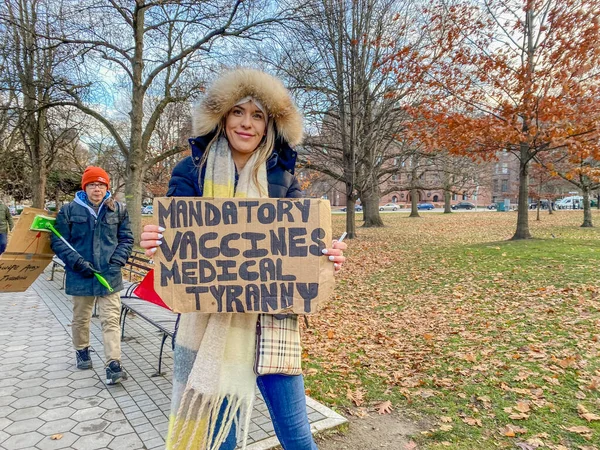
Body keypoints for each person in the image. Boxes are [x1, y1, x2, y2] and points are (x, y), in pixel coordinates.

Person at [140, 68, 347, 450]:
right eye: (238, 112)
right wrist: (157, 241)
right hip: (209, 326)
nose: (247, 123)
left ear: (270, 125)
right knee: (223, 442)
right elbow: (177, 244)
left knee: (299, 439)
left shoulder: (283, 178)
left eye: (258, 115)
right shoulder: (191, 171)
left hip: (273, 325)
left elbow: (304, 245)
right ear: (222, 116)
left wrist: (326, 254)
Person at [50, 166, 134, 385]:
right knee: (81, 318)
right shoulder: (69, 211)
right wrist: (77, 262)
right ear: (85, 187)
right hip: (81, 274)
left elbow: (126, 239)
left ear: (107, 187)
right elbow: (59, 241)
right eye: (92, 184)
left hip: (109, 275)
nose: (97, 189)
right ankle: (82, 350)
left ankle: (113, 364)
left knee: (111, 320)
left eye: (101, 184)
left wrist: (117, 262)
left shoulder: (118, 209)